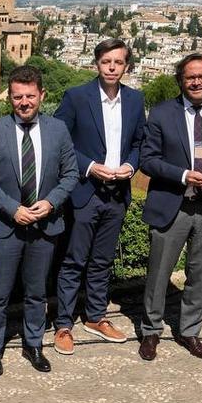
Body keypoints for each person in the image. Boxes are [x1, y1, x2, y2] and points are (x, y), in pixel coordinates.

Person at [138, 54, 202, 361]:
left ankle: (190, 331)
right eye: (189, 77)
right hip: (174, 203)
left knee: (200, 273)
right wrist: (183, 175)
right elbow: (148, 159)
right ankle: (151, 331)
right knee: (159, 273)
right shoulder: (161, 112)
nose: (196, 82)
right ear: (180, 81)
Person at [0, 65, 78, 376]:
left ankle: (34, 344)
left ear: (41, 95)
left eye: (30, 96)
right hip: (6, 226)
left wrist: (50, 202)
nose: (24, 102)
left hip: (45, 225)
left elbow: (71, 174)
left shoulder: (58, 130)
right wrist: (13, 208)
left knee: (36, 291)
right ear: (10, 98)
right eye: (17, 96)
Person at [51, 37, 146, 354]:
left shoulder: (135, 100)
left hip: (117, 193)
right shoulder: (77, 97)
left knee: (102, 260)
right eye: (106, 62)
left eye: (118, 62)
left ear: (126, 66)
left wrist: (131, 167)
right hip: (85, 192)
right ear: (97, 64)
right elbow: (60, 142)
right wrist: (90, 166)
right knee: (74, 260)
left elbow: (139, 143)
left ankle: (95, 316)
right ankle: (63, 324)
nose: (112, 67)